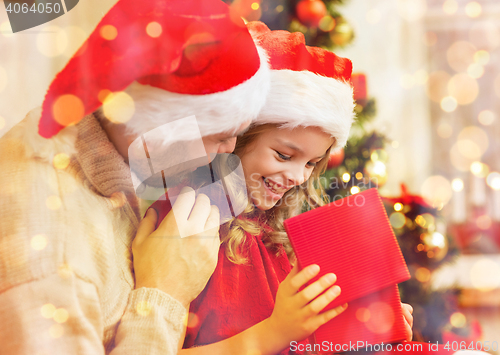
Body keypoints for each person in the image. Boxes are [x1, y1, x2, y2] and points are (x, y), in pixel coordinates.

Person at [0, 1, 270, 354]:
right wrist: (165, 292)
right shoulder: (53, 258)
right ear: (152, 120)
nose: (228, 150)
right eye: (218, 134)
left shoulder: (104, 151)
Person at [148, 22, 413, 355]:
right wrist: (275, 331)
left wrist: (366, 333)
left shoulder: (277, 232)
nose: (299, 177)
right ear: (237, 137)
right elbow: (149, 344)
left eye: (311, 163)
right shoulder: (185, 224)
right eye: (284, 155)